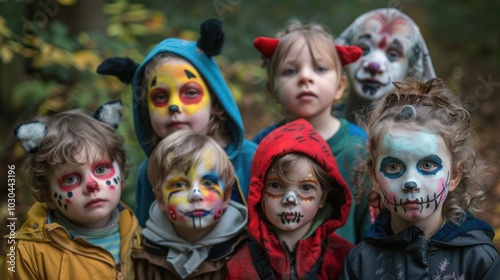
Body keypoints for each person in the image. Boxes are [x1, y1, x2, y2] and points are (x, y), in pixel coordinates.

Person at [96, 18, 256, 227]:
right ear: (146, 109)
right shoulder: (151, 170)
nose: (173, 106)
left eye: (190, 92)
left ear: (215, 100)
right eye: (160, 97)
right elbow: (147, 234)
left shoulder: (251, 160)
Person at [341, 78, 500, 279]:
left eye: (427, 165)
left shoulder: (480, 259)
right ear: (373, 176)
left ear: (455, 175)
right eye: (393, 166)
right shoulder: (360, 263)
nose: (411, 182)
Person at [251, 20, 371, 244]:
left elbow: (370, 224)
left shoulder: (360, 147)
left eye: (320, 68)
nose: (305, 77)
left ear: (340, 87)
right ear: (272, 89)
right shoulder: (262, 146)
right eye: (291, 70)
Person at [2, 101, 141, 280]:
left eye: (101, 169)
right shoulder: (28, 254)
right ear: (47, 194)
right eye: (70, 179)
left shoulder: (134, 228)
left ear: (121, 175)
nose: (92, 185)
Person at [227, 119, 353, 279]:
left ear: (323, 198)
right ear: (259, 192)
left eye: (306, 187)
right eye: (276, 185)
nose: (290, 199)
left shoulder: (343, 258)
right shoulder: (240, 264)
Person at [132, 129, 247, 279]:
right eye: (179, 185)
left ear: (226, 196)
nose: (196, 195)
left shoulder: (248, 252)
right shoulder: (142, 255)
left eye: (208, 182)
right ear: (160, 199)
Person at [334, 8, 436, 123]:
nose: (374, 65)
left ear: (411, 68)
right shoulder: (318, 119)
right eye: (364, 49)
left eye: (393, 54)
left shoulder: (418, 132)